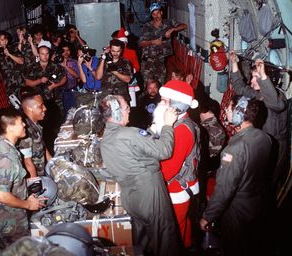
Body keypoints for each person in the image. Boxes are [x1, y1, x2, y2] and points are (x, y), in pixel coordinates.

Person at [100, 94, 183, 256]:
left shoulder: (106, 138)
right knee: (165, 241)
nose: (129, 110)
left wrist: (154, 125)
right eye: (126, 108)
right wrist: (167, 125)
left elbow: (137, 144)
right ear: (117, 113)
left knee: (143, 244)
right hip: (150, 195)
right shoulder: (130, 133)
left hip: (131, 199)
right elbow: (164, 151)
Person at [200, 97, 273, 256]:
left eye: (230, 108)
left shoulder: (234, 149)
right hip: (257, 206)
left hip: (237, 213)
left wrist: (208, 216)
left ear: (240, 114)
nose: (227, 111)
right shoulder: (265, 138)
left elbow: (225, 189)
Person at [229, 51, 288, 191]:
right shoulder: (258, 94)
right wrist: (234, 63)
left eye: (256, 77)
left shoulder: (278, 96)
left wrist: (263, 76)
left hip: (275, 147)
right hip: (260, 143)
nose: (252, 80)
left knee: (266, 186)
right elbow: (239, 88)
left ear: (267, 78)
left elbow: (276, 105)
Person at [0, 108, 45, 244]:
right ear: (10, 128)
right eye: (21, 122)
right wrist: (28, 205)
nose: (24, 124)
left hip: (12, 213)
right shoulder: (5, 157)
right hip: (9, 220)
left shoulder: (3, 146)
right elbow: (1, 195)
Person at [154, 80, 200, 248]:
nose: (159, 103)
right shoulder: (176, 124)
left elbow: (169, 170)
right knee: (182, 226)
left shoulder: (181, 131)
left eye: (164, 101)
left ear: (177, 106)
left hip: (176, 188)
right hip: (177, 186)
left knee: (174, 232)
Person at [25, 45, 67, 154]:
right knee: (42, 129)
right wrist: (39, 81)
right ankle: (46, 150)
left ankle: (60, 150)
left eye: (47, 53)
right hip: (39, 104)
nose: (45, 56)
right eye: (42, 54)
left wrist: (55, 85)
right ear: (38, 55)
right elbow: (28, 82)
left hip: (54, 101)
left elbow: (64, 79)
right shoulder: (32, 67)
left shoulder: (55, 66)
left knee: (57, 126)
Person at [139, 3, 187, 84]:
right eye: (153, 14)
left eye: (158, 13)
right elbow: (141, 43)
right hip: (148, 61)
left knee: (160, 85)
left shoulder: (169, 22)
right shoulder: (147, 26)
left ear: (161, 13)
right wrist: (153, 42)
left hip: (161, 61)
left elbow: (184, 26)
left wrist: (173, 30)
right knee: (148, 86)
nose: (156, 16)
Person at [19, 88, 52, 177]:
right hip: (35, 176)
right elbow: (27, 162)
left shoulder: (36, 124)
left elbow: (43, 147)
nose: (45, 108)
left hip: (43, 171)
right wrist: (35, 182)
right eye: (40, 106)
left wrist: (53, 164)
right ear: (29, 109)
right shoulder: (25, 130)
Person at [112, 28, 141, 106]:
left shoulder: (132, 52)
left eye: (124, 42)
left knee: (132, 102)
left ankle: (132, 115)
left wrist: (132, 70)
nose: (123, 44)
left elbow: (137, 66)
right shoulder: (114, 52)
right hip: (116, 79)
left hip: (129, 78)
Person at [0, 30, 24, 96]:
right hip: (8, 84)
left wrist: (9, 55)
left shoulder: (12, 48)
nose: (5, 41)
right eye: (2, 40)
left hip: (20, 80)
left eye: (6, 39)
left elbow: (21, 61)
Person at [58, 42, 79, 114]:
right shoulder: (56, 63)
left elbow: (77, 75)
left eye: (68, 50)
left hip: (71, 91)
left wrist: (65, 66)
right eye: (64, 50)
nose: (66, 52)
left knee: (72, 113)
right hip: (59, 93)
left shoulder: (74, 62)